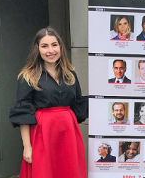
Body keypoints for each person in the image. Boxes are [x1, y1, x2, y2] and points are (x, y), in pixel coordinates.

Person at [9, 27, 88, 178]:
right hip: (43, 133)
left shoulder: (70, 74)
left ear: (60, 47)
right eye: (44, 46)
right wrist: (27, 147)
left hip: (68, 134)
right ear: (37, 49)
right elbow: (23, 113)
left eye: (54, 45)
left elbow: (78, 104)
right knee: (44, 172)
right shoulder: (28, 76)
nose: (50, 50)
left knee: (68, 171)